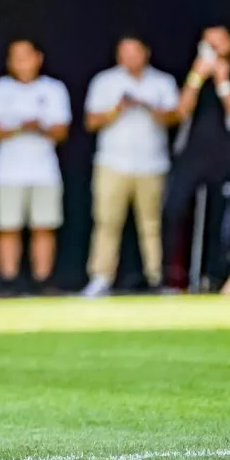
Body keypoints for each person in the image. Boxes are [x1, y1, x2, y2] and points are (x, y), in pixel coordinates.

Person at [162, 26, 230, 290]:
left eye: (219, 42)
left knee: (219, 219)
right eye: (208, 42)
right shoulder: (195, 72)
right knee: (174, 208)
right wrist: (197, 76)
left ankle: (214, 278)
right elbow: (180, 110)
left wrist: (223, 82)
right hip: (193, 155)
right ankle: (174, 277)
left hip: (226, 157)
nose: (213, 48)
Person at [82, 35, 179, 297]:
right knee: (106, 222)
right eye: (124, 52)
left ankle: (156, 277)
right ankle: (101, 278)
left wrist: (148, 107)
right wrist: (117, 109)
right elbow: (90, 121)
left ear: (146, 53)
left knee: (151, 224)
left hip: (152, 164)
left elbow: (174, 117)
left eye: (135, 52)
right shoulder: (105, 81)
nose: (130, 58)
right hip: (112, 163)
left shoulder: (162, 82)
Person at [0, 40, 71, 293]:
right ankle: (8, 282)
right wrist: (19, 126)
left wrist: (39, 126)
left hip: (44, 171)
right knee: (8, 227)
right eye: (16, 57)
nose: (22, 63)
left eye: (26, 57)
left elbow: (62, 130)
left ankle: (43, 280)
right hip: (7, 172)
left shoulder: (54, 89)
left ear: (38, 58)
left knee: (45, 225)